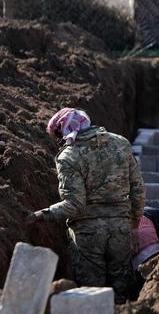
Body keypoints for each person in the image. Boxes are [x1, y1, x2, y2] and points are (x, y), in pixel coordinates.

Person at [26, 108, 145, 303]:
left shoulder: (69, 157)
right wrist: (134, 222)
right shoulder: (121, 143)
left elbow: (75, 205)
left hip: (88, 235)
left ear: (63, 130)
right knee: (122, 292)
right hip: (121, 228)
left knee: (91, 296)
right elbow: (138, 189)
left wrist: (42, 215)